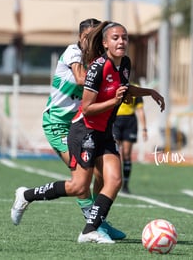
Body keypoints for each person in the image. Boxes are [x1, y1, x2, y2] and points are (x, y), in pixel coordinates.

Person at [10, 18, 125, 242]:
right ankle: (25, 195)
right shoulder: (73, 52)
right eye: (90, 37)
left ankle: (98, 223)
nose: (93, 42)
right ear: (82, 38)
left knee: (103, 175)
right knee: (81, 181)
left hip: (83, 126)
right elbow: (83, 79)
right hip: (58, 125)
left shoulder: (100, 59)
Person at [68, 21, 165, 243]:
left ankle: (89, 230)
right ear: (105, 43)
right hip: (87, 131)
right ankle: (27, 195)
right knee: (78, 186)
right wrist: (114, 101)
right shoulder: (97, 67)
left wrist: (150, 92)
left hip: (105, 131)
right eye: (115, 38)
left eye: (124, 37)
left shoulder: (126, 64)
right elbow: (88, 108)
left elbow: (124, 89)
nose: (121, 41)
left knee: (114, 180)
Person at [112, 88, 147, 194]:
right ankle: (112, 181)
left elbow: (140, 110)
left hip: (130, 122)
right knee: (114, 152)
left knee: (126, 154)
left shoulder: (134, 88)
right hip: (116, 120)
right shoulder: (115, 86)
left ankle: (125, 185)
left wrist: (144, 128)